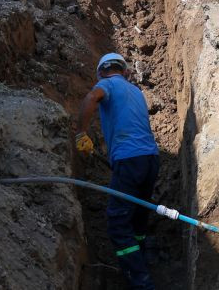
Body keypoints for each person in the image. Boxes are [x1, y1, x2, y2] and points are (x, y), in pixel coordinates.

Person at [77, 52, 160, 290]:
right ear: (124, 70)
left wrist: (81, 133)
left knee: (117, 223)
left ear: (101, 71)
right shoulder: (136, 92)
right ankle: (141, 255)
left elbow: (92, 97)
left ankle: (140, 281)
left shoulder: (106, 84)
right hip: (151, 159)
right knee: (138, 216)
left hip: (129, 159)